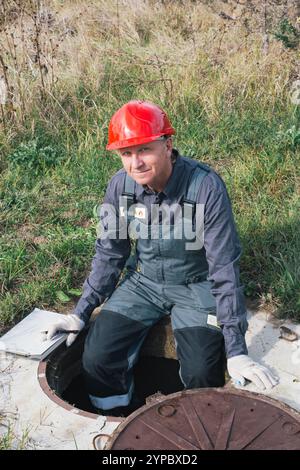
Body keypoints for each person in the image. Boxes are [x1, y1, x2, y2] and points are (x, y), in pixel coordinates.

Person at [45, 100, 279, 415]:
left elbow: (224, 268)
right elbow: (110, 252)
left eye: (144, 150)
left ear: (167, 145)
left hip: (198, 286)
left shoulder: (205, 187)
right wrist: (81, 312)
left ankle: (192, 431)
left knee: (201, 371)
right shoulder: (120, 186)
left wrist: (237, 350)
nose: (135, 163)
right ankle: (118, 421)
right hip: (145, 282)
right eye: (126, 154)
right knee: (97, 356)